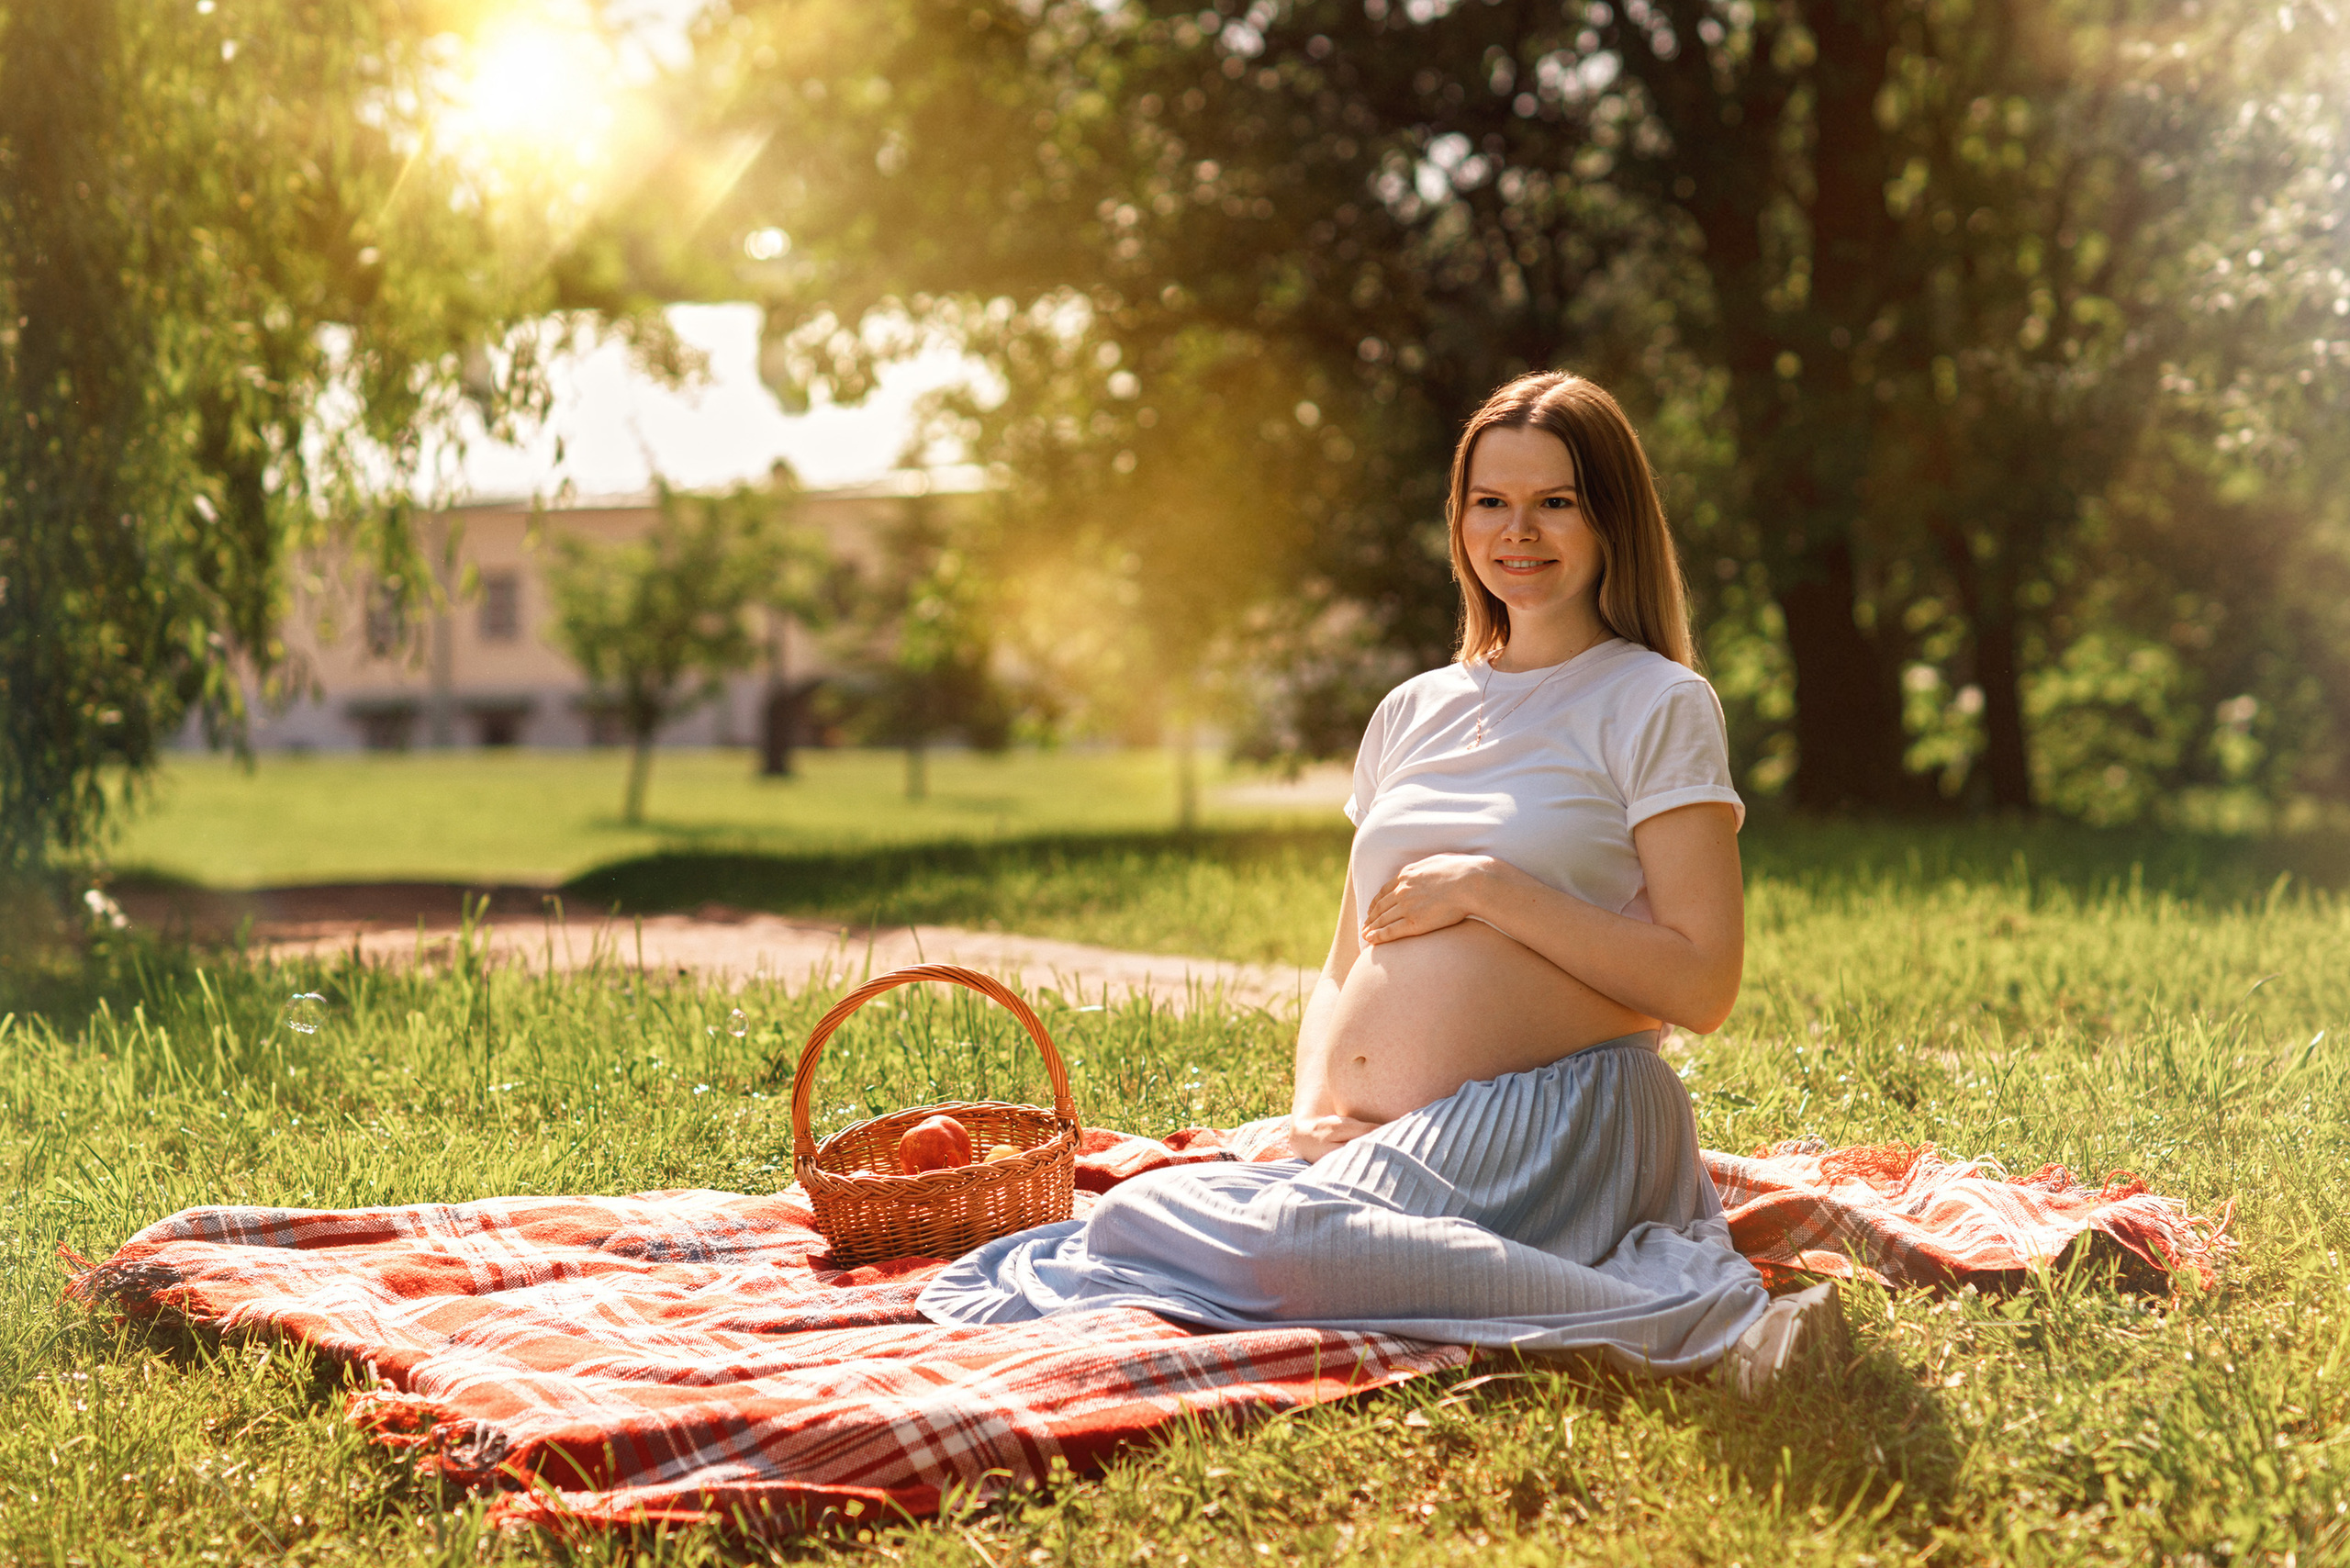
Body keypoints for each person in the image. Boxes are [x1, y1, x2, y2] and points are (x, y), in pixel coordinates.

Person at [921, 372, 1842, 1390]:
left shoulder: (1655, 700)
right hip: (1399, 1133)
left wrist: (1492, 888)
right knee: (1143, 1210)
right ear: (1459, 521)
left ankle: (1704, 1326)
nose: (1517, 532)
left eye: (1555, 502)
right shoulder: (1411, 710)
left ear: (1610, 518)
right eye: (1490, 502)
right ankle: (1572, 1295)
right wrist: (1317, 1108)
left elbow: (1701, 982)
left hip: (1565, 1115)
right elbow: (1341, 961)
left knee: (1247, 1239)